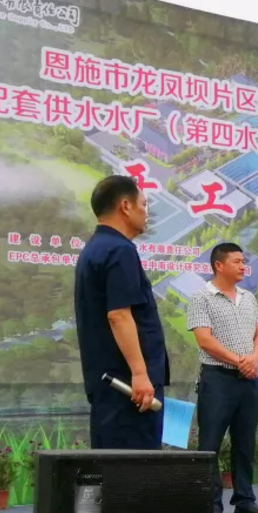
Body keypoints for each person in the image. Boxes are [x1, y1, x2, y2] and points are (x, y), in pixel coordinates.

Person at [74, 175, 169, 450]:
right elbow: (119, 315)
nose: (146, 213)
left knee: (111, 463)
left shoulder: (94, 249)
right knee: (133, 466)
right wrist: (139, 373)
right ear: (125, 206)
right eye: (144, 204)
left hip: (111, 384)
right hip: (129, 387)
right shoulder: (120, 250)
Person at [187, 243, 258, 513]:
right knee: (210, 443)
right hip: (217, 379)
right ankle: (210, 503)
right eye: (237, 261)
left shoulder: (248, 297)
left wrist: (254, 358)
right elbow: (204, 339)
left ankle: (245, 500)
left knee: (245, 441)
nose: (243, 266)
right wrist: (239, 361)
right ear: (218, 265)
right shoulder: (201, 297)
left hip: (248, 380)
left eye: (243, 261)